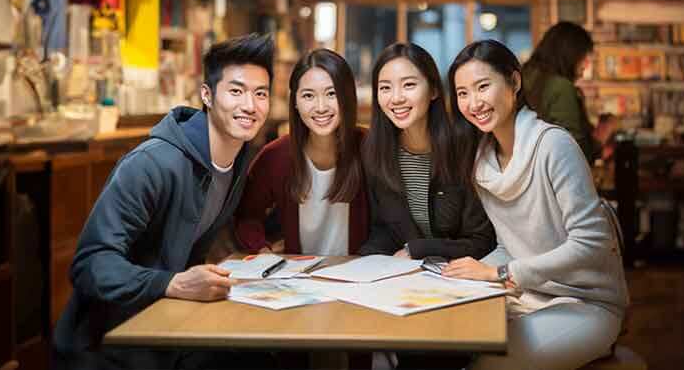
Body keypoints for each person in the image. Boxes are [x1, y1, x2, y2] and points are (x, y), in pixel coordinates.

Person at [53, 34, 276, 370]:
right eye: (236, 91)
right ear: (207, 95)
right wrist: (173, 282)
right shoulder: (152, 164)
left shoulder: (239, 159)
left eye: (261, 94)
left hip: (167, 328)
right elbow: (90, 263)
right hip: (107, 344)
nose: (250, 105)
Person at [444, 39, 629, 370]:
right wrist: (469, 273)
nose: (474, 102)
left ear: (514, 82)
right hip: (528, 296)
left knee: (488, 364)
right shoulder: (483, 161)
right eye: (462, 93)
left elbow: (592, 243)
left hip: (586, 303)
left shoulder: (554, 145)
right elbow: (510, 245)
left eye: (483, 86)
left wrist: (499, 273)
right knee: (450, 344)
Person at [359, 42, 495, 261]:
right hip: (405, 280)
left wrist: (418, 250)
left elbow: (482, 240)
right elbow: (383, 229)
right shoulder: (375, 151)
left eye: (409, 85)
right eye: (385, 87)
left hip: (461, 278)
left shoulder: (463, 147)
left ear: (433, 90)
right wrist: (368, 260)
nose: (396, 98)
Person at [234, 48, 370, 256]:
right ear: (295, 102)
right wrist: (261, 251)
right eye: (308, 95)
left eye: (331, 94)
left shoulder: (370, 149)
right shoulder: (275, 156)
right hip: (299, 280)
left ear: (348, 97)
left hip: (360, 277)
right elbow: (246, 216)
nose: (321, 107)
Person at [523, 21, 616, 162]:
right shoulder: (560, 87)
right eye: (583, 57)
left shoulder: (526, 75)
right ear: (569, 53)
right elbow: (573, 152)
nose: (586, 65)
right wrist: (601, 137)